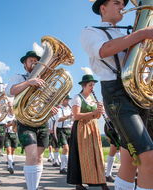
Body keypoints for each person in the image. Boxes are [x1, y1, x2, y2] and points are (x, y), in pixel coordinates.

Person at [80, 0, 153, 189]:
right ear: (102, 8)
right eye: (117, 2)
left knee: (130, 159)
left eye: (123, 3)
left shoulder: (126, 32)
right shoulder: (91, 30)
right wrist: (143, 33)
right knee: (149, 158)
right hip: (116, 93)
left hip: (139, 91)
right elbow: (104, 50)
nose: (122, 6)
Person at [5, 50, 58, 190]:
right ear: (25, 64)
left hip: (42, 121)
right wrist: (29, 82)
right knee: (32, 155)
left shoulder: (44, 79)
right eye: (31, 61)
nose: (34, 63)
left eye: (36, 61)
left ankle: (33, 186)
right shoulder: (19, 76)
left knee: (39, 158)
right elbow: (9, 91)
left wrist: (50, 109)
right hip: (25, 121)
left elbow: (48, 99)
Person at [67, 68, 109, 190]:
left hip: (93, 128)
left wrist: (99, 111)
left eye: (93, 85)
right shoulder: (77, 97)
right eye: (90, 85)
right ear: (84, 86)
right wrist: (93, 113)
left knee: (97, 154)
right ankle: (78, 183)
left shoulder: (94, 99)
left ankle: (100, 181)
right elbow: (76, 116)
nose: (92, 88)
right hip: (81, 128)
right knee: (81, 155)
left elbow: (97, 116)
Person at [55, 95, 73, 174]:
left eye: (68, 100)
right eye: (66, 100)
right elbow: (59, 119)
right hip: (61, 130)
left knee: (67, 150)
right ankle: (68, 167)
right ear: (62, 100)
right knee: (66, 148)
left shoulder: (70, 108)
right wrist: (69, 116)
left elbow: (72, 119)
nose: (68, 101)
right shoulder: (59, 108)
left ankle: (62, 168)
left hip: (68, 129)